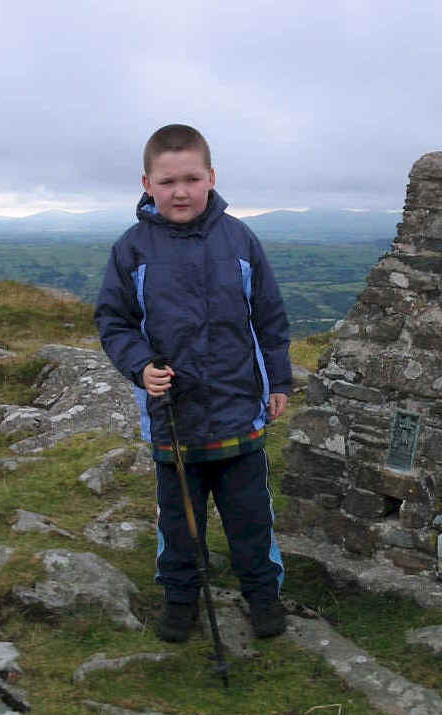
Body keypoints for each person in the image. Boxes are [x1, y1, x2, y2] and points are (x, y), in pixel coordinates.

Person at [95, 124, 291, 642]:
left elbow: (269, 318)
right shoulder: (132, 250)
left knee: (251, 519)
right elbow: (113, 322)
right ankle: (180, 600)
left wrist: (280, 383)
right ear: (146, 182)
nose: (180, 191)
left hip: (238, 412)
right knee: (179, 525)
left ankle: (263, 596)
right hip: (171, 420)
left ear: (211, 177)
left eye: (191, 178)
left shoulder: (240, 240)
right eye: (167, 181)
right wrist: (140, 366)